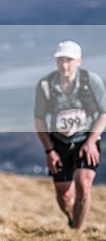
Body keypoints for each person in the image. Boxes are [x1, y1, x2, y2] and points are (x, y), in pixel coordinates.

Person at [34, 40, 106, 230]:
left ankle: (76, 232)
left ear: (79, 61)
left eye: (69, 60)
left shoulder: (91, 82)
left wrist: (91, 141)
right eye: (61, 60)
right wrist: (49, 149)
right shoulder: (45, 85)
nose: (65, 65)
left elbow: (104, 114)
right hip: (59, 142)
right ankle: (74, 217)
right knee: (64, 196)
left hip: (85, 140)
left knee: (84, 184)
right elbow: (39, 119)